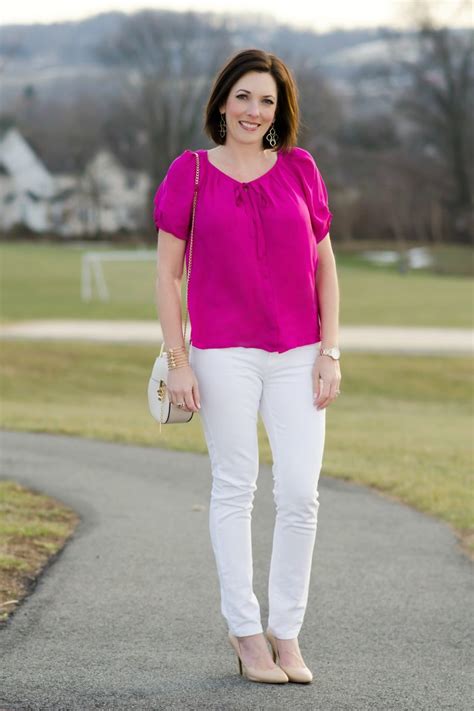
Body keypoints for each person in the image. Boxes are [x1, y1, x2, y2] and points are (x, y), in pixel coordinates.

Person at [153, 48, 341, 685]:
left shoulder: (299, 169)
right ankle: (246, 633)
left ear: (279, 110)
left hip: (299, 355)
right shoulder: (192, 173)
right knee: (235, 488)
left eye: (266, 100)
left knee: (300, 494)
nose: (254, 111)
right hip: (222, 353)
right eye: (243, 97)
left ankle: (287, 634)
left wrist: (330, 351)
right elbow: (167, 274)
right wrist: (178, 361)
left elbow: (325, 266)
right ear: (222, 102)